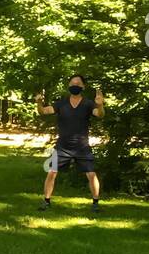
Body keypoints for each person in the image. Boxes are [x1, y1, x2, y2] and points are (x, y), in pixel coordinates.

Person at [36, 75, 104, 213]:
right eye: (72, 83)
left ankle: (95, 204)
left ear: (83, 87)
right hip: (62, 146)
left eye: (78, 83)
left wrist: (100, 104)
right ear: (68, 86)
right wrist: (38, 103)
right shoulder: (61, 103)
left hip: (82, 147)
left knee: (91, 174)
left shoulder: (88, 103)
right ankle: (46, 202)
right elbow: (43, 111)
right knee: (51, 172)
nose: (75, 85)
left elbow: (100, 114)